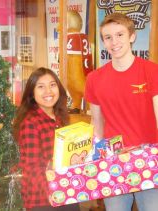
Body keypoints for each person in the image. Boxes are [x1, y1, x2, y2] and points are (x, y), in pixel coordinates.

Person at [85, 12, 158, 211]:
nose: (114, 42)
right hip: (113, 162)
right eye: (108, 37)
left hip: (149, 160)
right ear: (103, 42)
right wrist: (96, 161)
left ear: (132, 36)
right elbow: (97, 126)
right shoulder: (94, 79)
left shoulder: (152, 71)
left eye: (120, 35)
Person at [13, 67, 80, 211]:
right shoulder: (30, 122)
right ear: (32, 93)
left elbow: (62, 158)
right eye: (41, 87)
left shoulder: (60, 118)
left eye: (52, 85)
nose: (48, 92)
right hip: (43, 200)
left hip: (67, 193)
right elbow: (32, 167)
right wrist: (51, 191)